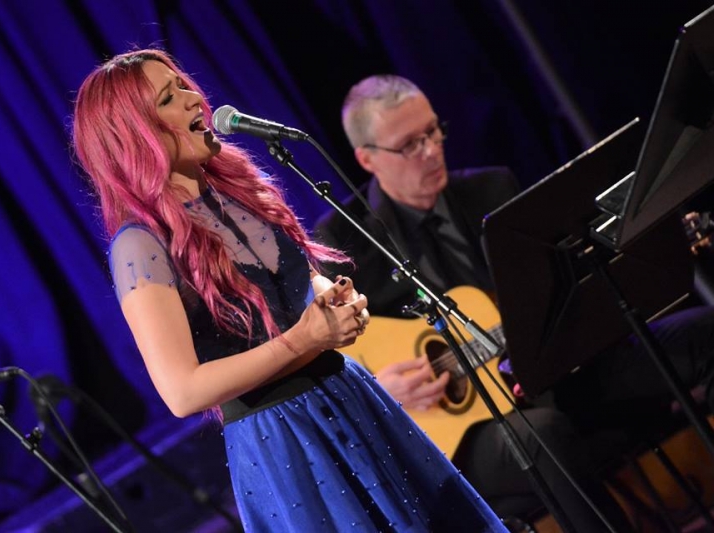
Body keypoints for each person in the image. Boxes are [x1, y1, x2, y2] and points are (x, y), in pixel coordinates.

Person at [71, 49, 509, 532]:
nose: (194, 98)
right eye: (169, 98)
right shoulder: (139, 245)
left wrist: (336, 303)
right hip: (284, 438)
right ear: (135, 136)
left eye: (184, 85)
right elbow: (182, 391)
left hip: (350, 394)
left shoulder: (239, 193)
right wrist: (303, 339)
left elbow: (300, 283)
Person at [313, 74, 675, 532]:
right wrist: (380, 390)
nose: (432, 151)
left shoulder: (492, 190)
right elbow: (332, 363)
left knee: (699, 337)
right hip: (460, 431)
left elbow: (554, 288)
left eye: (433, 131)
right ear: (367, 158)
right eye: (409, 145)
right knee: (542, 436)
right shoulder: (342, 242)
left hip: (556, 375)